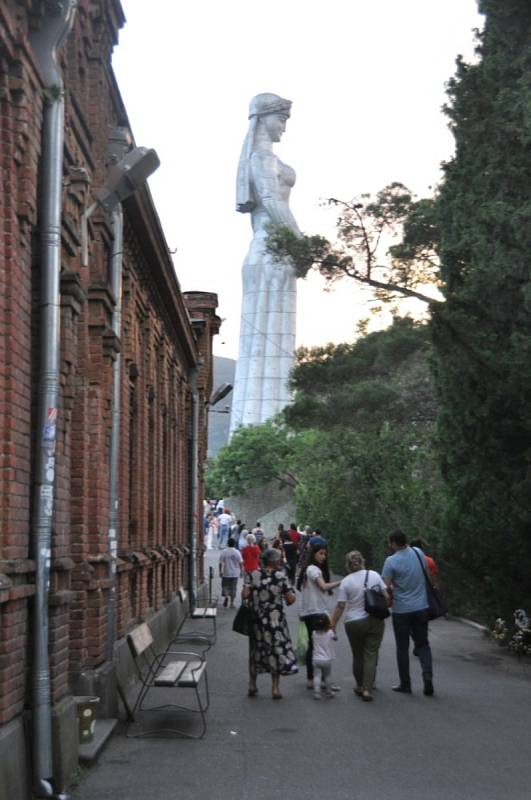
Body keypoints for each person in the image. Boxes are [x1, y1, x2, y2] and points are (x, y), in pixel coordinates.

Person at [230, 93, 302, 431]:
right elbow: (273, 201)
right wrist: (301, 243)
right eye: (281, 120)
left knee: (277, 343)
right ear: (263, 119)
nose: (284, 128)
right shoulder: (261, 160)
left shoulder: (268, 159)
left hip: (275, 254)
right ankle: (263, 432)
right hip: (269, 251)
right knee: (263, 344)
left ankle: (276, 432)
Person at [382, 529, 434, 696]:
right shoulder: (418, 553)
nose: (389, 546)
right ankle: (427, 677)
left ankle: (406, 684)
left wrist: (394, 587)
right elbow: (425, 573)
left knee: (402, 648)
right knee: (423, 644)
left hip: (401, 610)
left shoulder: (390, 561)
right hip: (421, 607)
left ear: (394, 543)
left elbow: (386, 586)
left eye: (390, 542)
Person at [331, 550, 388, 702]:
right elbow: (387, 596)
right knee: (371, 654)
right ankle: (368, 690)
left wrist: (333, 625)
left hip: (353, 623)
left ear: (348, 565)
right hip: (375, 620)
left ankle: (359, 685)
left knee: (357, 655)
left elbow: (340, 606)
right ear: (362, 561)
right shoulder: (375, 575)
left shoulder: (346, 581)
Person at [242, 548, 297, 699]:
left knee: (255, 651)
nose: (281, 561)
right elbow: (290, 600)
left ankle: (252, 685)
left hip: (257, 621)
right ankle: (275, 688)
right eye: (280, 559)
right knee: (276, 651)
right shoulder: (281, 576)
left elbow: (245, 595)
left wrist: (254, 592)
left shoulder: (253, 574)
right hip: (275, 621)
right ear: (274, 561)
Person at [298, 544, 341, 690]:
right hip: (316, 612)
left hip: (310, 612)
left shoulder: (307, 570)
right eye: (321, 553)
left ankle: (312, 678)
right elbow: (323, 586)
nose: (324, 556)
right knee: (322, 646)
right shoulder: (313, 569)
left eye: (325, 554)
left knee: (313, 646)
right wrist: (341, 582)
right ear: (314, 554)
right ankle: (323, 680)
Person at [311, 614, 337, 700]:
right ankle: (328, 691)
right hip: (327, 659)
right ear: (327, 624)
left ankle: (317, 693)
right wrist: (333, 629)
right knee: (327, 676)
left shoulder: (314, 633)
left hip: (316, 659)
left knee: (317, 676)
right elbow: (335, 638)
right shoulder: (330, 633)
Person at [219, 538, 243, 608]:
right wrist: (241, 571)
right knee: (233, 588)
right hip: (235, 573)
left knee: (225, 586)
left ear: (227, 543)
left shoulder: (224, 551)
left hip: (226, 572)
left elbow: (220, 563)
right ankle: (231, 603)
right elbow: (241, 563)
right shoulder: (237, 552)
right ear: (234, 544)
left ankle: (226, 596)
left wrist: (220, 571)